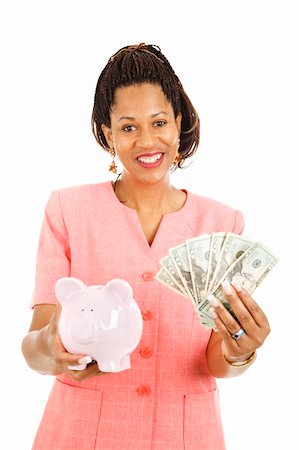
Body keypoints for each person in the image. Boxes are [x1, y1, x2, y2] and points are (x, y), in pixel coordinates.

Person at [22, 43, 271, 450]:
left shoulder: (223, 224)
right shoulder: (68, 210)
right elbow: (34, 345)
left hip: (187, 436)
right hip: (81, 435)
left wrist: (238, 351)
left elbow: (214, 361)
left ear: (178, 123)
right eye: (128, 127)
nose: (147, 141)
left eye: (158, 122)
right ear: (108, 134)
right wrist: (51, 349)